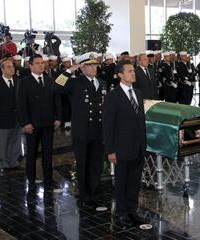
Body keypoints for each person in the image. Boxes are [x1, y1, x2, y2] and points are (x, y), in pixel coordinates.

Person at [54, 52, 107, 210]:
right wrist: (69, 70)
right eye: (89, 65)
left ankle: (95, 194)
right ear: (82, 67)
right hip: (82, 131)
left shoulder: (102, 83)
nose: (93, 68)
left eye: (95, 65)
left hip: (98, 131)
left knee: (96, 165)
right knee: (83, 165)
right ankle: (85, 196)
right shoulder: (75, 83)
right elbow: (55, 86)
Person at [103, 60, 146, 227]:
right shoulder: (113, 96)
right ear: (120, 75)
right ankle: (121, 213)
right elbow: (108, 126)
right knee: (121, 182)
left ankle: (132, 210)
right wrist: (110, 150)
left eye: (133, 70)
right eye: (129, 71)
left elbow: (140, 121)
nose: (133, 73)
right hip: (121, 148)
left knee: (135, 182)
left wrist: (144, 144)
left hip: (138, 147)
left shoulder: (138, 93)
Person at [17, 54, 62, 189]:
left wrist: (59, 118)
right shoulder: (24, 82)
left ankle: (48, 179)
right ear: (30, 65)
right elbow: (21, 105)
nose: (41, 65)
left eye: (42, 63)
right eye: (37, 63)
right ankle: (31, 179)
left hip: (48, 123)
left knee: (48, 153)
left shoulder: (50, 81)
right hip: (32, 124)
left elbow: (57, 100)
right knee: (32, 153)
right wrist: (25, 123)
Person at [0, 57, 22, 171]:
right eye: (8, 67)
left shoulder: (18, 81)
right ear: (2, 69)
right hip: (3, 118)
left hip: (18, 117)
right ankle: (4, 163)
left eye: (12, 67)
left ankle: (14, 161)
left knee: (16, 140)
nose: (12, 69)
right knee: (4, 142)